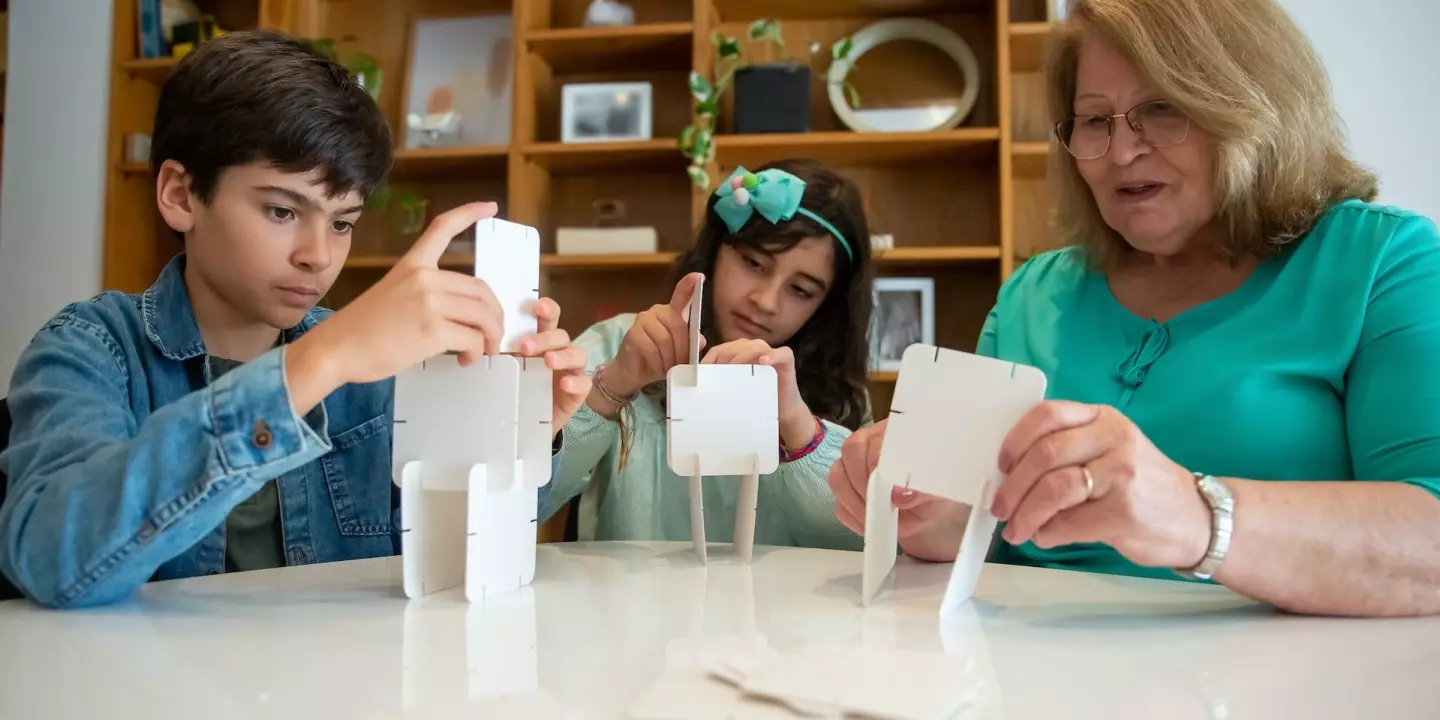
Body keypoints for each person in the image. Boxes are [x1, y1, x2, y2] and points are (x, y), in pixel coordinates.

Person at [828, 0, 1440, 618]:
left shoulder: (1382, 261)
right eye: (1094, 121)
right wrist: (929, 510)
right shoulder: (1031, 294)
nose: (1121, 153)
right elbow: (982, 536)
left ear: (1251, 106)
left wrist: (1193, 516)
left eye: (1162, 109)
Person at [0, 30, 591, 609]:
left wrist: (514, 436)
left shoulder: (382, 373)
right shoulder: (89, 347)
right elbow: (54, 562)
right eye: (282, 210)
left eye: (342, 222)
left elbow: (448, 571)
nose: (319, 254)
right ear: (181, 195)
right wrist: (322, 359)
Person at [545, 160, 873, 550]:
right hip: (630, 608)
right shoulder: (620, 342)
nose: (765, 302)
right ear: (716, 250)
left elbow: (855, 548)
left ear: (826, 306)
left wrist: (797, 424)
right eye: (754, 263)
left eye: (800, 290)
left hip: (777, 610)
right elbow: (527, 499)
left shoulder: (842, 397)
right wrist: (614, 383)